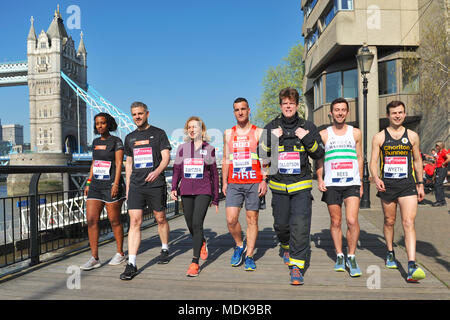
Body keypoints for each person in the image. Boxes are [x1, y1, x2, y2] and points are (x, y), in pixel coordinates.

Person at [260, 87, 324, 285]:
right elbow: (261, 154)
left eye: (292, 104)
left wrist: (307, 138)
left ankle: (296, 267)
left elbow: (319, 153)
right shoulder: (271, 126)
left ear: (297, 106)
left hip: (301, 185)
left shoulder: (308, 126)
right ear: (281, 106)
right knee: (281, 225)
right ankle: (285, 244)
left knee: (300, 225)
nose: (288, 107)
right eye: (285, 104)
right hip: (279, 186)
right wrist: (272, 139)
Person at [369, 100, 426, 283]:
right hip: (388, 186)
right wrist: (376, 178)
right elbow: (373, 162)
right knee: (389, 220)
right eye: (394, 113)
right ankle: (390, 252)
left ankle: (411, 264)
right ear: (388, 115)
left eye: (401, 112)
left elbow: (417, 161)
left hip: (408, 185)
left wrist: (420, 184)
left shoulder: (412, 136)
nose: (398, 116)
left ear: (404, 113)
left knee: (408, 222)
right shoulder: (379, 137)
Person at [120, 101, 172, 280]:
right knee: (135, 222)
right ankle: (132, 263)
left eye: (140, 114)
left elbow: (166, 157)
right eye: (134, 114)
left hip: (155, 183)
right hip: (136, 185)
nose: (137, 117)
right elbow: (128, 162)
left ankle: (165, 248)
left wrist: (157, 172)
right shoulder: (129, 138)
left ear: (147, 114)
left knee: (160, 218)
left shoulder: (159, 134)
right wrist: (127, 186)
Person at [316, 98, 363, 277]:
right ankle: (340, 255)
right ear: (331, 113)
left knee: (352, 220)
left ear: (348, 112)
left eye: (343, 110)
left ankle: (351, 256)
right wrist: (320, 178)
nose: (340, 113)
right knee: (336, 221)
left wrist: (359, 181)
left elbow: (359, 157)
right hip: (332, 183)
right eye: (337, 110)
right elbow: (319, 159)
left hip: (351, 182)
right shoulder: (324, 134)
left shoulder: (356, 133)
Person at [170, 116, 219, 277]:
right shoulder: (182, 148)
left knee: (197, 223)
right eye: (189, 127)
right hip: (185, 190)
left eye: (195, 127)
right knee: (190, 224)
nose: (192, 129)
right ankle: (202, 241)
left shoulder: (209, 149)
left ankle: (194, 262)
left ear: (202, 130)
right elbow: (177, 169)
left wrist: (216, 197)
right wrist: (174, 187)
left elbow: (214, 174)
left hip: (203, 190)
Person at [222, 97, 267, 271]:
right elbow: (226, 159)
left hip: (254, 181)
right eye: (236, 110)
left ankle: (249, 255)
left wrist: (264, 180)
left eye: (243, 109)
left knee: (252, 219)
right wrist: (224, 182)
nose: (240, 112)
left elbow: (265, 158)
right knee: (231, 219)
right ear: (234, 112)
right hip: (234, 182)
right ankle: (240, 245)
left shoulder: (258, 132)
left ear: (249, 110)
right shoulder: (228, 133)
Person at [81, 113, 126, 270]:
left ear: (109, 124)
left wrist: (115, 183)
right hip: (95, 186)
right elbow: (94, 163)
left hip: (110, 185)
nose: (99, 126)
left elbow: (119, 163)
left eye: (103, 123)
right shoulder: (95, 142)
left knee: (114, 220)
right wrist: (88, 182)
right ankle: (94, 258)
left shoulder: (116, 141)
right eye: (97, 123)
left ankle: (120, 253)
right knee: (92, 221)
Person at [432, 141, 449, 207]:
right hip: (438, 169)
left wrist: (443, 163)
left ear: (441, 146)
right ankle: (441, 201)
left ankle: (440, 201)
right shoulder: (439, 152)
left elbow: (449, 158)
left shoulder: (444, 151)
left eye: (437, 145)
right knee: (438, 184)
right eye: (436, 145)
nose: (436, 147)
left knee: (438, 184)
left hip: (442, 169)